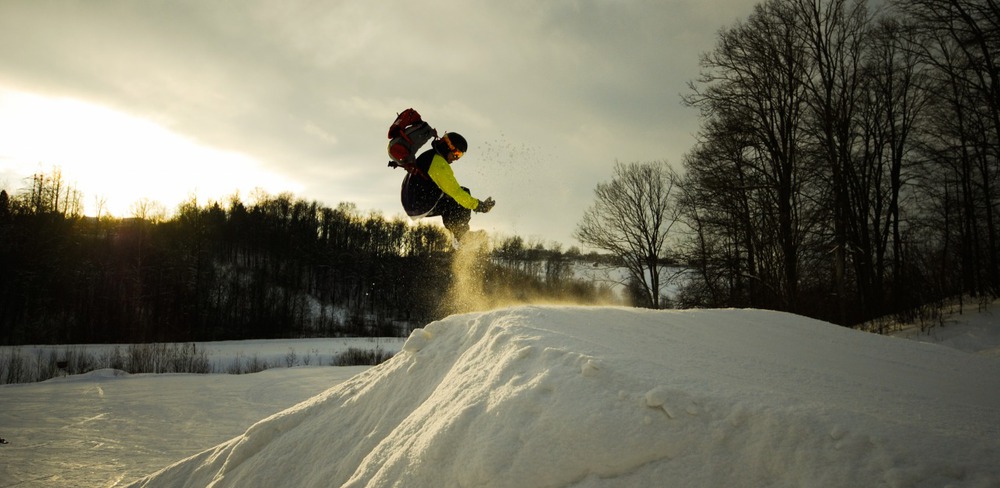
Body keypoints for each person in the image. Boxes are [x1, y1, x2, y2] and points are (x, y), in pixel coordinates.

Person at [400, 132, 495, 244]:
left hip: (413, 201)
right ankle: (461, 236)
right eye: (456, 153)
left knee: (449, 202)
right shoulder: (438, 163)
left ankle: (457, 234)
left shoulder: (429, 156)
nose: (456, 158)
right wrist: (480, 206)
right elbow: (456, 192)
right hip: (419, 202)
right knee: (461, 195)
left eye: (460, 155)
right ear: (447, 147)